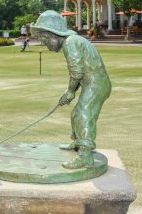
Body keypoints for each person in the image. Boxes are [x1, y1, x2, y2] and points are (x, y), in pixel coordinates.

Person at [31, 10, 111, 169]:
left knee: (84, 114)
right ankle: (78, 143)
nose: (45, 45)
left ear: (52, 34)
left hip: (96, 83)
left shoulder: (70, 42)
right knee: (76, 113)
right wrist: (71, 91)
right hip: (92, 82)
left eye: (44, 40)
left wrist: (69, 91)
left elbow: (76, 71)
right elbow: (81, 72)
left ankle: (85, 155)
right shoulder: (73, 40)